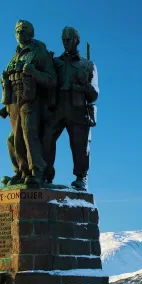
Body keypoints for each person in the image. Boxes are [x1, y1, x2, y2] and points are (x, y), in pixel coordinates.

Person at [1, 20, 57, 186]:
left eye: (23, 30)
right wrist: (5, 107)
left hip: (32, 101)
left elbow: (52, 79)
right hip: (13, 103)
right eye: (17, 31)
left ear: (31, 33)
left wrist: (34, 72)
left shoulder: (39, 52)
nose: (19, 34)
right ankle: (20, 171)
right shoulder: (15, 56)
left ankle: (36, 172)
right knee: (11, 140)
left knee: (29, 134)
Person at [43, 26, 99, 191]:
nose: (66, 42)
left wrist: (85, 84)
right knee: (46, 138)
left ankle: (81, 178)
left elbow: (94, 94)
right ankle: (45, 175)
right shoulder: (54, 63)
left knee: (79, 145)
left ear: (77, 41)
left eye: (69, 39)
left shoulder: (88, 65)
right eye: (64, 39)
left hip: (77, 109)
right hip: (57, 106)